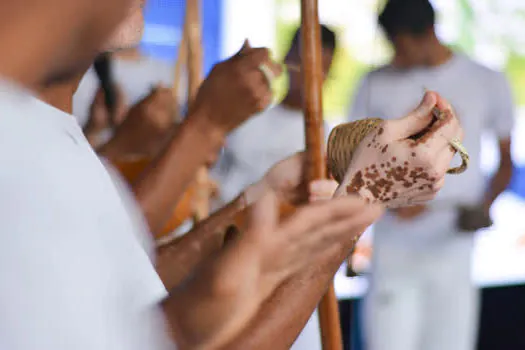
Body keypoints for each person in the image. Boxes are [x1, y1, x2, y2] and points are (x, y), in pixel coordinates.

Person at [0, 0, 463, 349]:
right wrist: (362, 198)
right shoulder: (20, 159)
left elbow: (135, 289)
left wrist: (250, 206)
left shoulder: (45, 135)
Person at [348, 1, 514, 350]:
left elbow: (504, 164)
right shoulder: (375, 83)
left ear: (427, 34)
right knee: (388, 340)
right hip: (395, 240)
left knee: (450, 342)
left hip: (452, 239)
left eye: (402, 45)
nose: (397, 56)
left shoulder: (484, 80)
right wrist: (389, 201)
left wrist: (484, 206)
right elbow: (353, 162)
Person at [212, 24, 337, 350]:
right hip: (236, 268)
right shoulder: (247, 122)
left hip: (297, 274)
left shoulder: (331, 138)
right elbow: (216, 196)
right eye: (305, 62)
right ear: (289, 59)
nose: (312, 75)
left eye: (322, 66)